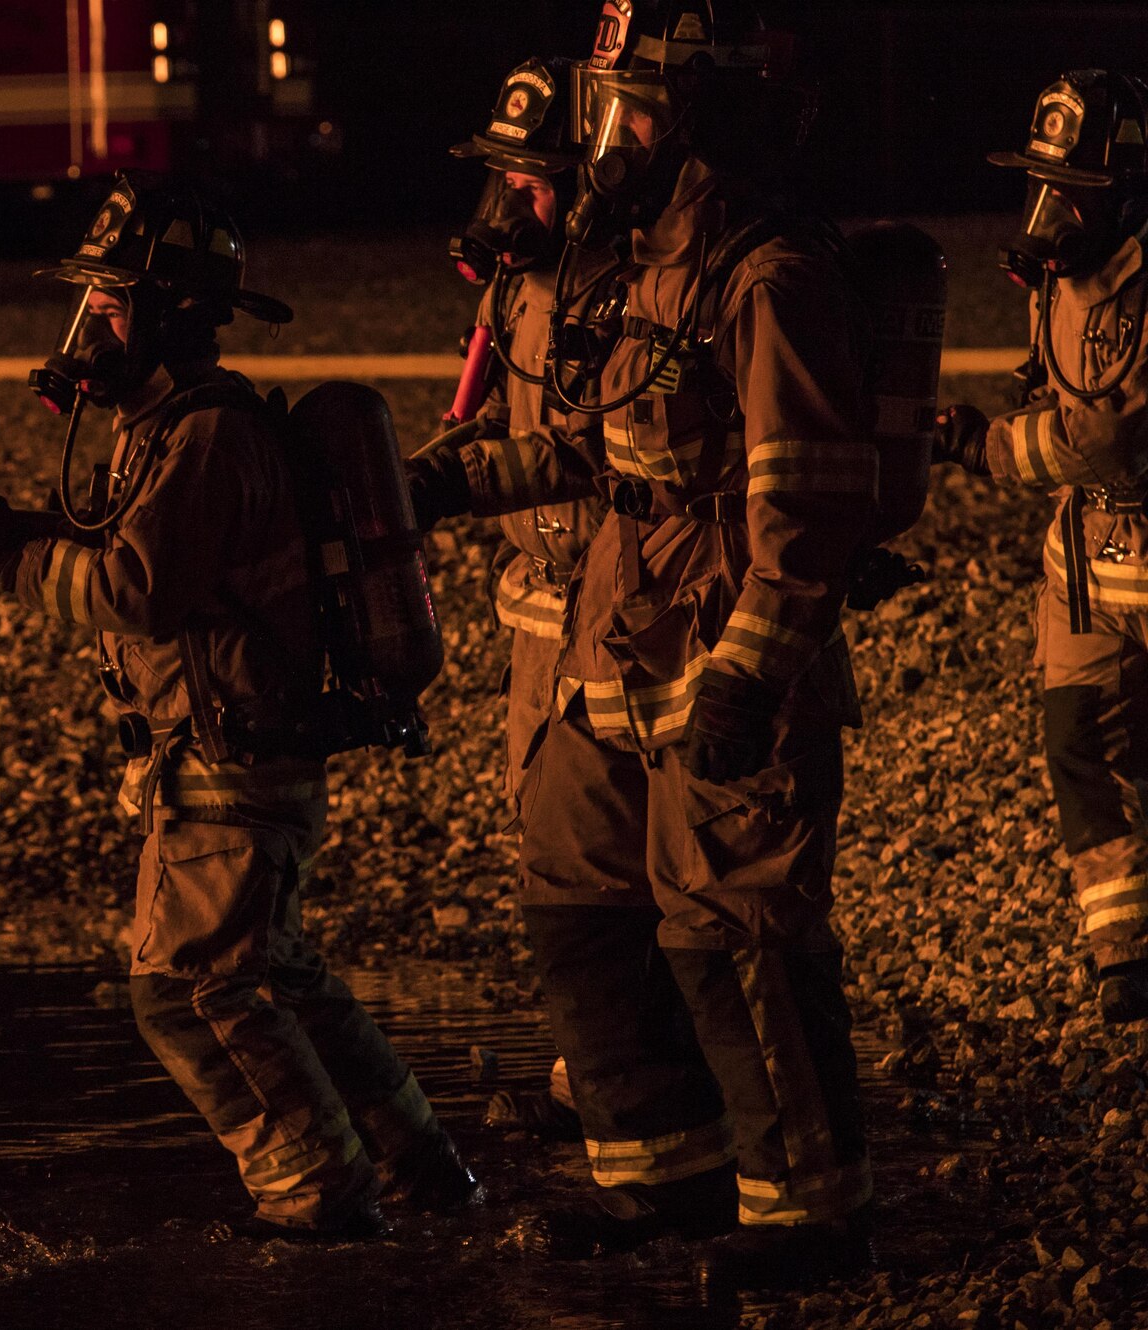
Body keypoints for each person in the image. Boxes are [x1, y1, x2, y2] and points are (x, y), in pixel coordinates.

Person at [408, 1, 876, 1288]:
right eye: (604, 104)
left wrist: (751, 665)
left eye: (632, 109)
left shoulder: (768, 277)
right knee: (574, 898)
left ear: (702, 120)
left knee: (735, 928)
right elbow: (585, 441)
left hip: (722, 650)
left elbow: (810, 497)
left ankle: (809, 1214)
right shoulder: (631, 266)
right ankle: (653, 1171)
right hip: (613, 640)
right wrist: (451, 483)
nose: (604, 134)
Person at [0, 177, 476, 1239]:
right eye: (88, 302)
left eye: (112, 304)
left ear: (177, 315)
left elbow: (136, 591)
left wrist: (4, 554)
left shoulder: (208, 440)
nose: (90, 325)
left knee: (189, 994)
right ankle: (421, 1168)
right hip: (217, 760)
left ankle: (317, 1199)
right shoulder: (162, 429)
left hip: (232, 765)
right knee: (275, 973)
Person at [936, 70, 1148, 1026]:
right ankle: (1126, 958)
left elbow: (1108, 439)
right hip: (1084, 565)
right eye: (1042, 185)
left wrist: (986, 445)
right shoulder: (1066, 277)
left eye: (1074, 193)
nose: (1050, 212)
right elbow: (1060, 386)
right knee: (1079, 745)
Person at [430, 55, 612, 1141]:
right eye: (501, 179)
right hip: (531, 613)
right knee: (542, 836)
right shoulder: (514, 285)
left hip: (602, 598)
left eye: (531, 182)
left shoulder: (613, 293)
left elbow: (579, 453)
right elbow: (473, 418)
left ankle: (614, 1075)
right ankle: (588, 1058)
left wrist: (455, 482)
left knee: (595, 853)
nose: (508, 205)